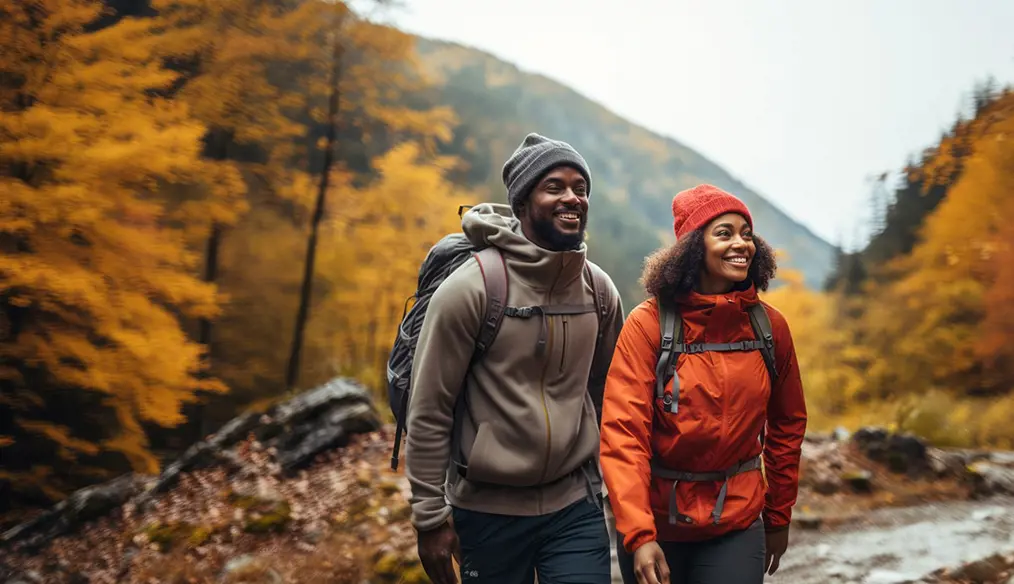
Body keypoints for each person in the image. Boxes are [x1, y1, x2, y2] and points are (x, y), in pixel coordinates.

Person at [404, 133, 625, 584]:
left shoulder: (599, 292)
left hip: (575, 507)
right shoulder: (472, 289)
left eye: (581, 188)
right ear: (523, 203)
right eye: (555, 187)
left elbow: (613, 399)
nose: (573, 198)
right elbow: (429, 410)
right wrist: (429, 518)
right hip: (487, 512)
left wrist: (627, 492)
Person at [599, 184, 807, 584]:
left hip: (738, 523)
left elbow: (787, 424)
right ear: (694, 247)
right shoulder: (648, 324)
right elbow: (623, 433)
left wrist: (779, 516)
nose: (741, 244)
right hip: (658, 523)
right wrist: (639, 534)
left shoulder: (770, 327)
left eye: (747, 234)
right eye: (724, 233)